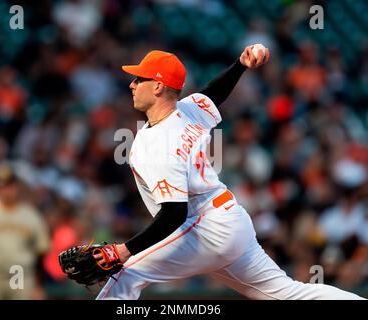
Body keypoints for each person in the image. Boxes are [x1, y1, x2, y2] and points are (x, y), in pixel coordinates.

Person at [94, 47, 365, 300]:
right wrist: (241, 65)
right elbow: (213, 94)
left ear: (158, 86)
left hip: (206, 228)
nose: (131, 84)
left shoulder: (157, 145)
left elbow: (174, 213)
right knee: (288, 293)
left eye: (138, 79)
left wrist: (123, 250)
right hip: (229, 219)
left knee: (125, 271)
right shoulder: (186, 111)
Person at [0, 165, 50, 299]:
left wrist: (39, 286)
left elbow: (40, 252)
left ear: (17, 188)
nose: (7, 191)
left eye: (11, 186)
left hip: (20, 276)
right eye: (4, 186)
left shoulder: (31, 215)